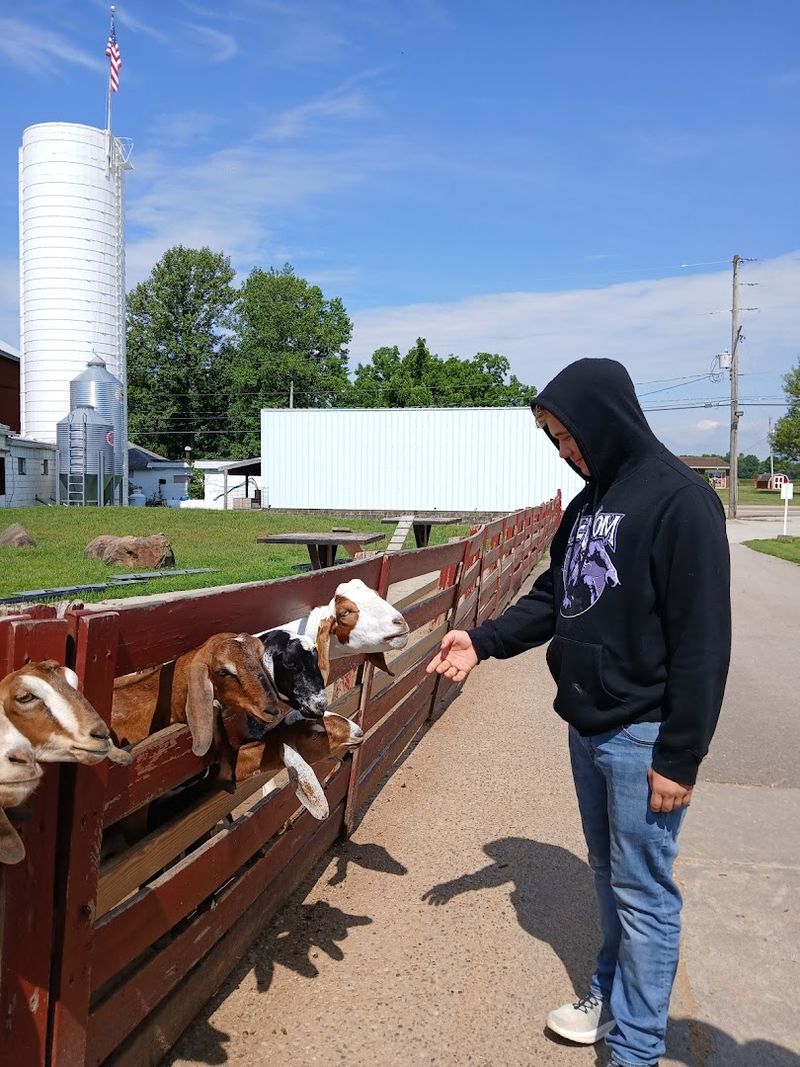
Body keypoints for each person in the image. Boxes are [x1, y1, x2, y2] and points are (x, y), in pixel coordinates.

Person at [426, 357, 731, 1067]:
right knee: (607, 873)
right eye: (553, 439)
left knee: (644, 891)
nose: (565, 449)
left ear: (605, 416)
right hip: (587, 726)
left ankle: (635, 1048)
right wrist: (481, 639)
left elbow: (703, 640)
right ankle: (608, 992)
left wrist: (680, 754)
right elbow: (551, 598)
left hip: (643, 734)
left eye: (568, 435)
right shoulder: (590, 502)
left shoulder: (680, 500)